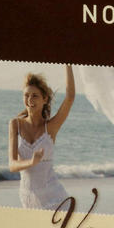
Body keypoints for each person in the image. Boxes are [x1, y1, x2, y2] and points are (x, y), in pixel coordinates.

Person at [8, 65, 75, 209]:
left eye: (35, 95)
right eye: (26, 95)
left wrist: (68, 64)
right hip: (28, 197)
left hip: (56, 197)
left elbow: (70, 97)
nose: (29, 99)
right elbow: (12, 165)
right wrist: (31, 162)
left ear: (45, 99)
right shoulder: (15, 124)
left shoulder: (51, 127)